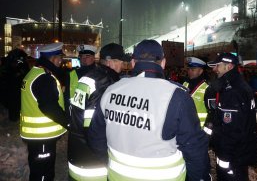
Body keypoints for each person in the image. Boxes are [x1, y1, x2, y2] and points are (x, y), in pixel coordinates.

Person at [88, 39, 211, 181]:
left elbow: (95, 137)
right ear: (163, 63)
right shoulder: (176, 95)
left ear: (133, 63)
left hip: (118, 176)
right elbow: (194, 148)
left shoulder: (111, 90)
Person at [68, 43, 128, 180]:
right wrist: (106, 156)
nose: (123, 66)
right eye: (120, 62)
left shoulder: (89, 77)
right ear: (110, 62)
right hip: (93, 162)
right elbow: (94, 128)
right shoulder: (105, 82)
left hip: (78, 150)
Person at [20, 42, 70, 181]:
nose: (61, 61)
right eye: (60, 58)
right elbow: (49, 107)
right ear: (52, 58)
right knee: (43, 174)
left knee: (38, 171)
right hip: (42, 137)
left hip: (37, 137)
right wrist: (69, 123)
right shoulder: (44, 78)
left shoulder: (35, 72)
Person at [207, 53, 257, 181]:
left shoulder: (232, 92)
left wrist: (224, 158)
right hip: (239, 155)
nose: (214, 69)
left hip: (232, 158)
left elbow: (232, 132)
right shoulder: (238, 86)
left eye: (218, 66)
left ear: (229, 66)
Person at [183, 57, 209, 129]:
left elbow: (212, 114)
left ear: (200, 71)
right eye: (189, 69)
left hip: (199, 130)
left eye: (193, 70)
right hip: (184, 127)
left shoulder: (207, 88)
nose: (189, 72)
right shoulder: (185, 84)